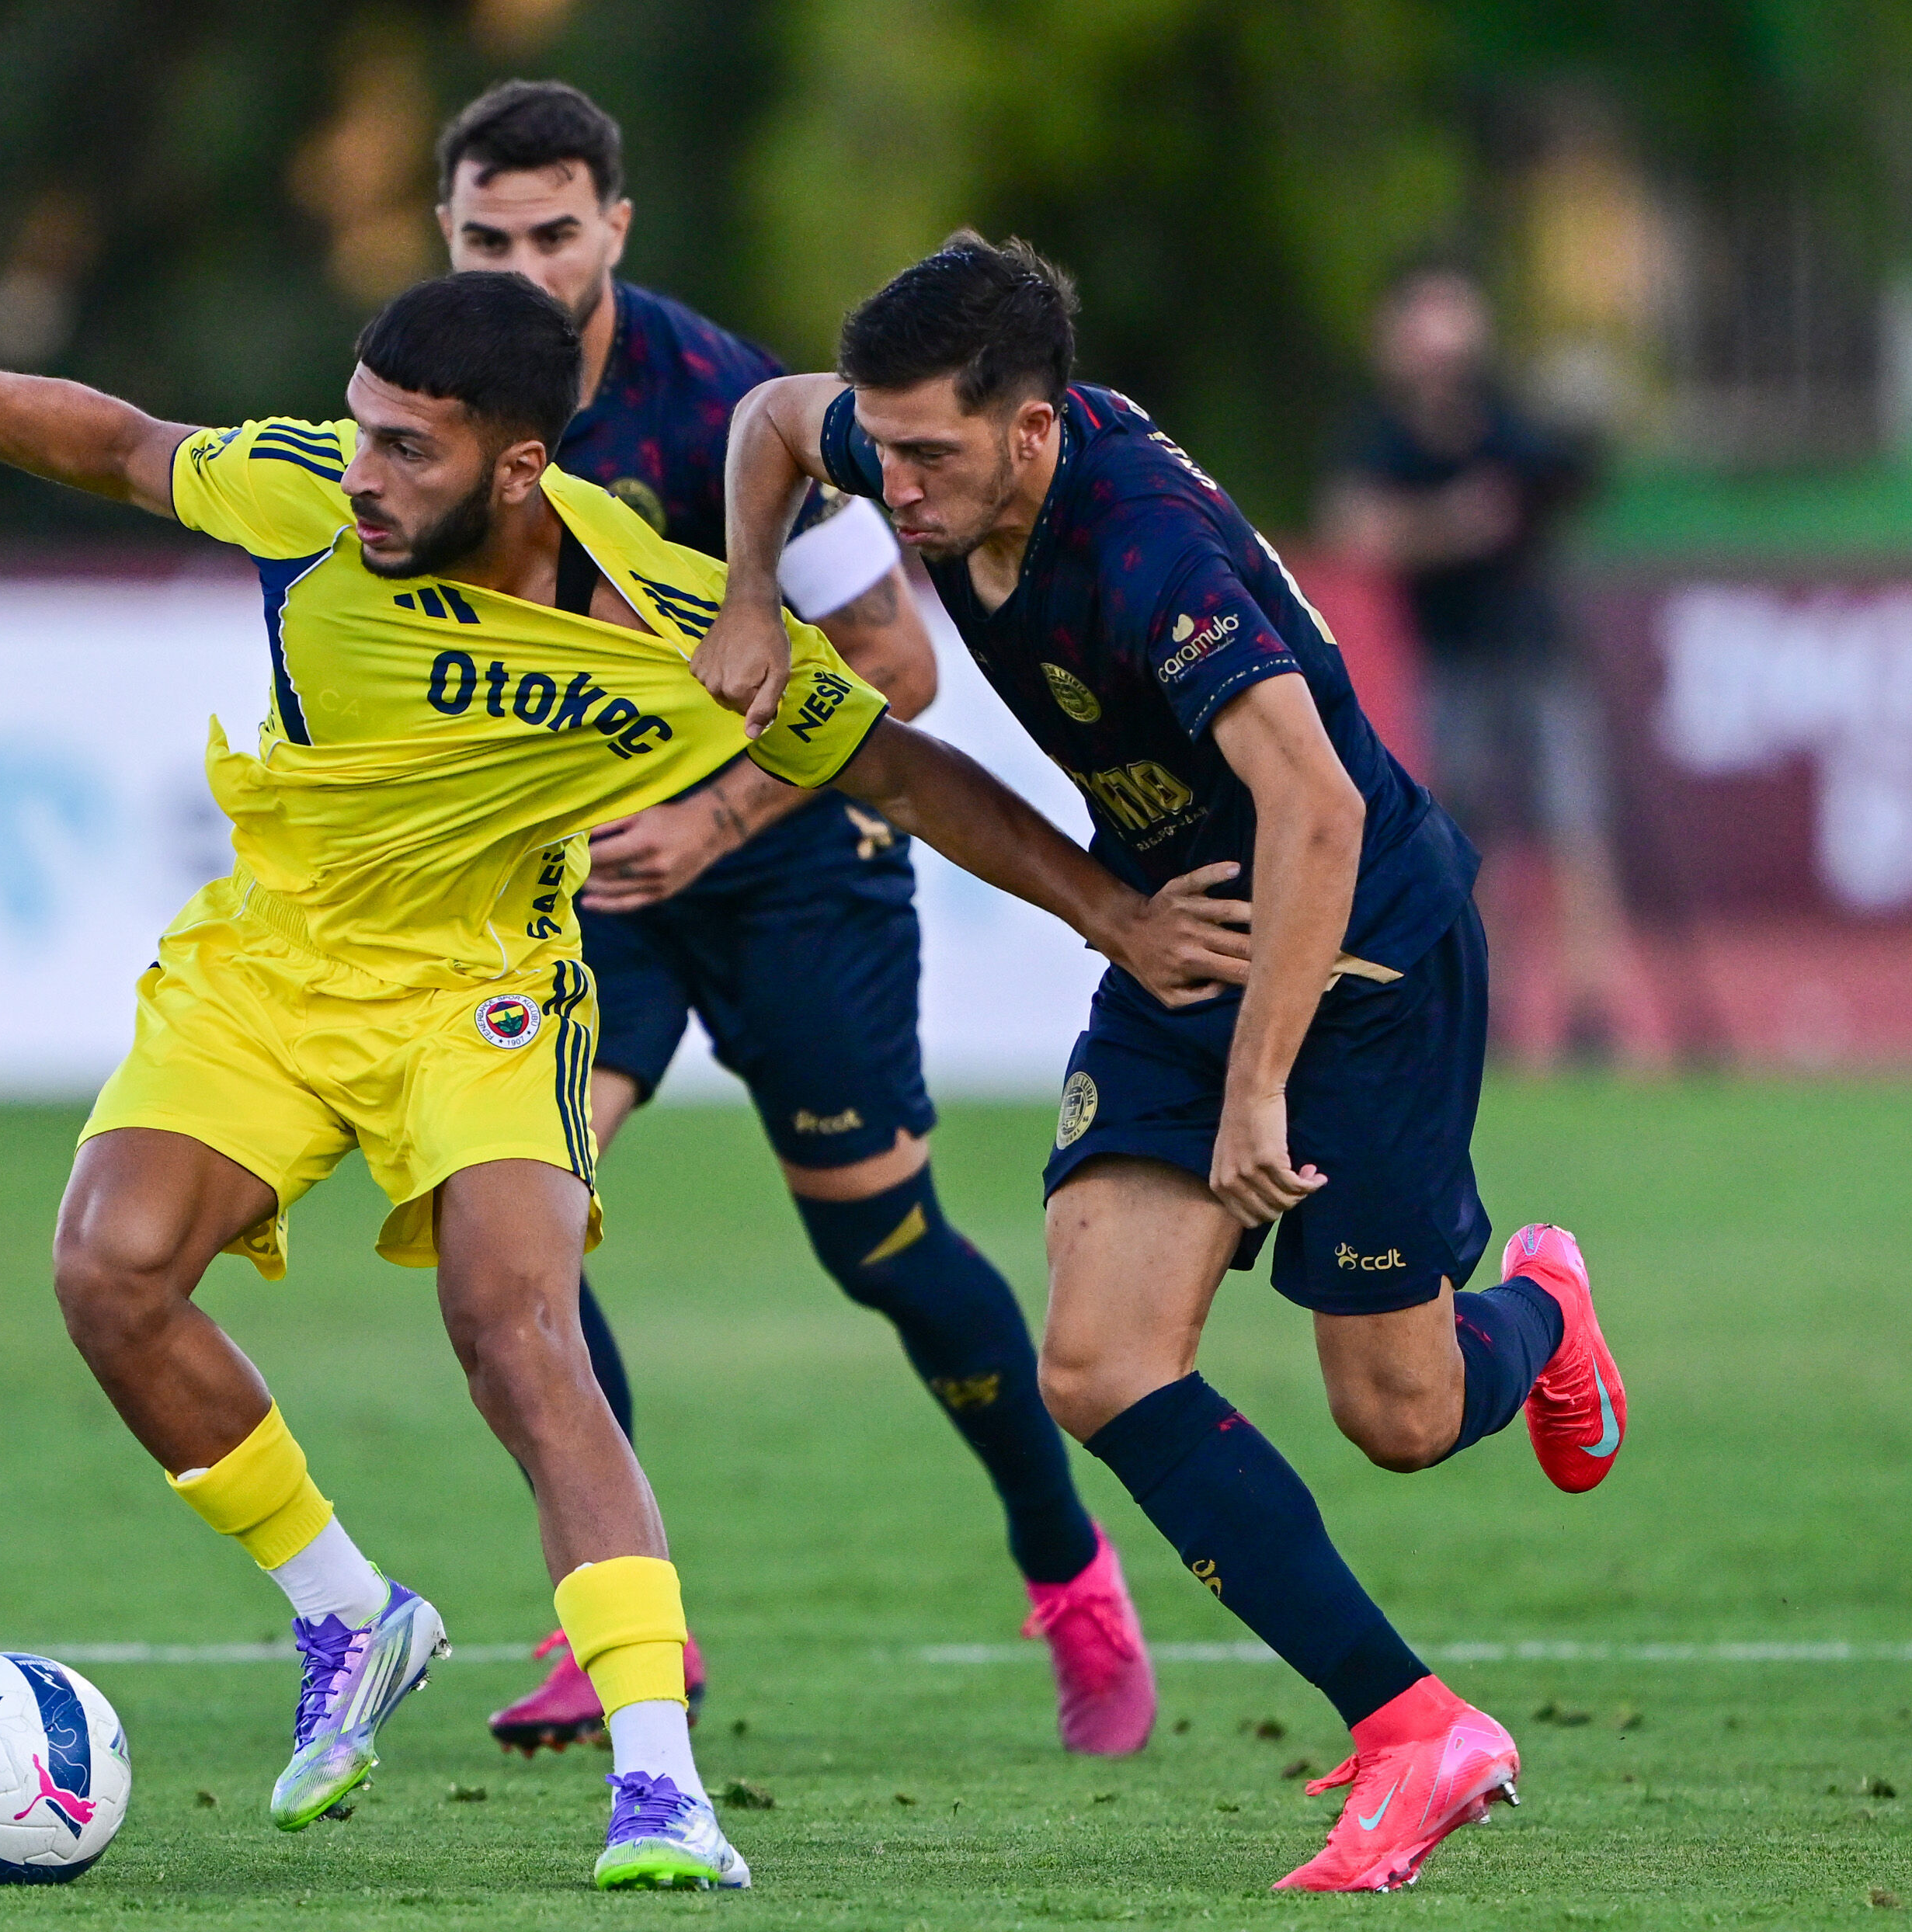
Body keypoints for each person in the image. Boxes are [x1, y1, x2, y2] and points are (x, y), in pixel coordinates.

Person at [0, 270, 1200, 1891]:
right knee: (107, 1275)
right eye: (360, 433)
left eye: (405, 449)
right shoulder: (310, 489)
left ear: (521, 467)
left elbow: (895, 756)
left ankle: (663, 1785)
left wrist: (1115, 913)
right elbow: (119, 446)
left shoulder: (669, 624)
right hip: (274, 956)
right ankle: (349, 1611)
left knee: (516, 1331)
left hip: (486, 992)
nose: (362, 475)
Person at [696, 235, 1632, 1893]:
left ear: (1036, 433)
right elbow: (773, 419)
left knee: (1399, 1414)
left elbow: (1322, 810)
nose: (895, 492)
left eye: (929, 457)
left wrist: (1260, 1083)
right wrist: (756, 600)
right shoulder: (906, 452)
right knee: (1101, 1360)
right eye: (887, 450)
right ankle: (1417, 1725)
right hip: (1177, 933)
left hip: (1358, 960)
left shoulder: (1145, 554)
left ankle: (1545, 1309)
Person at [431, 78, 1153, 1762]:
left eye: (555, 233)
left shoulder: (713, 408)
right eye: (488, 237)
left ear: (615, 228)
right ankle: (617, 1615)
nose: (524, 268)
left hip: (793, 863)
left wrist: (712, 813)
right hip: (587, 879)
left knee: (882, 1244)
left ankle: (1070, 1573)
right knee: (509, 1227)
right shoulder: (431, 404)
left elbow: (897, 668)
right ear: (445, 236)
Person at [1319, 265, 1630, 1063]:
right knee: (1470, 838)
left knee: (1571, 828)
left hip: (1538, 654)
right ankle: (1490, 1008)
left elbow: (1569, 477)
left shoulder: (1508, 422)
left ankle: (1589, 1009)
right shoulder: (1383, 438)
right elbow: (1358, 528)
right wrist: (1454, 525)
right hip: (1453, 661)